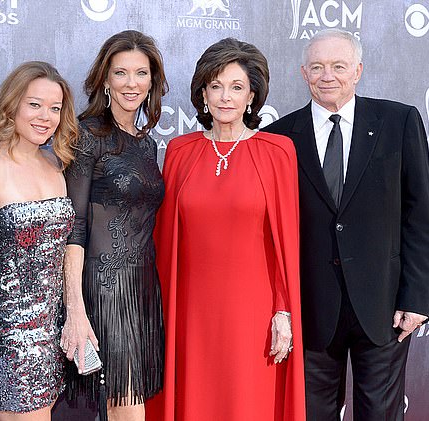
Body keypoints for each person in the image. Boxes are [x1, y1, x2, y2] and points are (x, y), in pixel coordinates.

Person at [265, 29, 429, 420]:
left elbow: (420, 216)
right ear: (303, 73)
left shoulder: (399, 121)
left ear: (357, 70)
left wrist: (415, 297)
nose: (328, 76)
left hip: (384, 308)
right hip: (310, 309)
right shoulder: (278, 139)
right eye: (318, 67)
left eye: (339, 66)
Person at [146, 38, 305, 421]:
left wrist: (283, 312)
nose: (225, 97)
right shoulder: (180, 151)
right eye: (215, 86)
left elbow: (286, 242)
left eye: (236, 87)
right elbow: (166, 240)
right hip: (190, 311)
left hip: (253, 311)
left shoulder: (277, 151)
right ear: (202, 93)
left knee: (246, 404)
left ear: (252, 94)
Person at [62, 30, 168, 421]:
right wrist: (75, 307)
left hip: (142, 289)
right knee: (125, 407)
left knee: (127, 403)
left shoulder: (146, 143)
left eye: (141, 74)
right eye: (120, 73)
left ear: (152, 82)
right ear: (105, 79)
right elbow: (73, 225)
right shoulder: (87, 134)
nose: (131, 84)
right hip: (102, 290)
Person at [0, 61, 79, 420]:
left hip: (51, 333)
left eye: (55, 108)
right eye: (34, 104)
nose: (45, 116)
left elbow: (61, 251)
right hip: (7, 338)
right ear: (12, 104)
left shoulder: (56, 166)